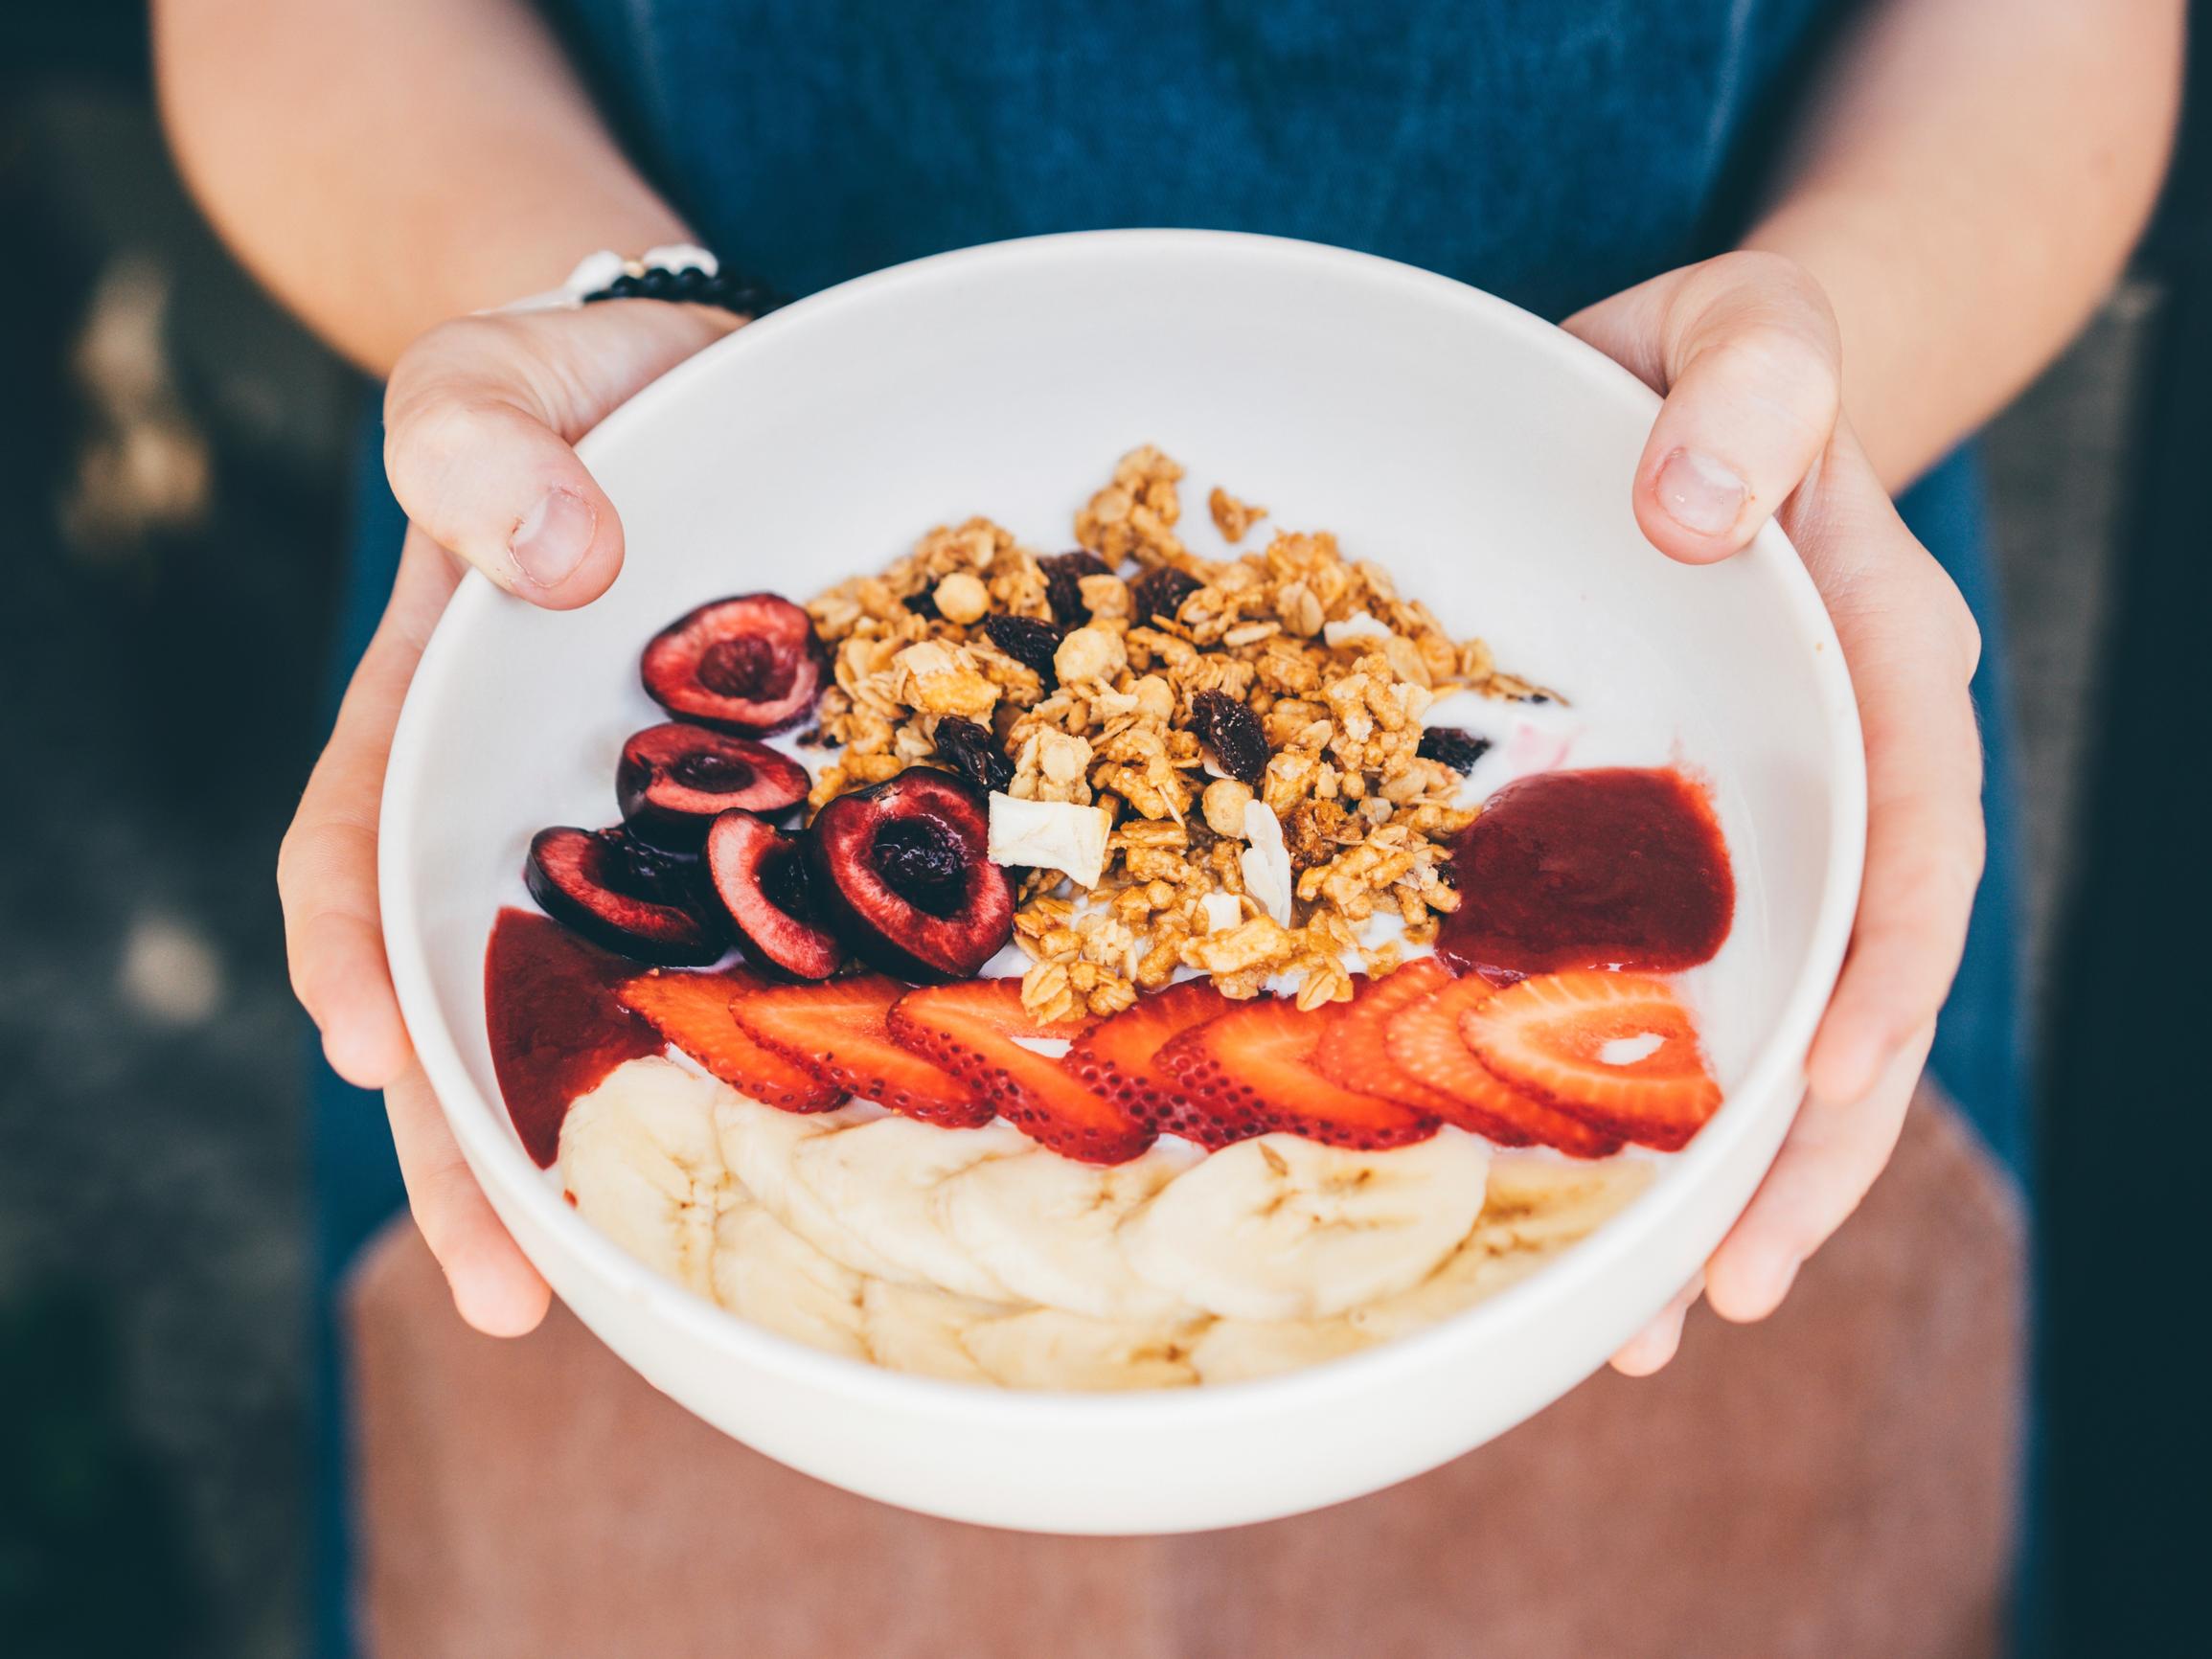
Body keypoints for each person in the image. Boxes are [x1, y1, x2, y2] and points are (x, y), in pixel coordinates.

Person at [154, 1, 2182, 1653]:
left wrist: (1784, 421)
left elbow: (2058, 44)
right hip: (608, 562)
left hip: (1746, 626)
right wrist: (611, 350)